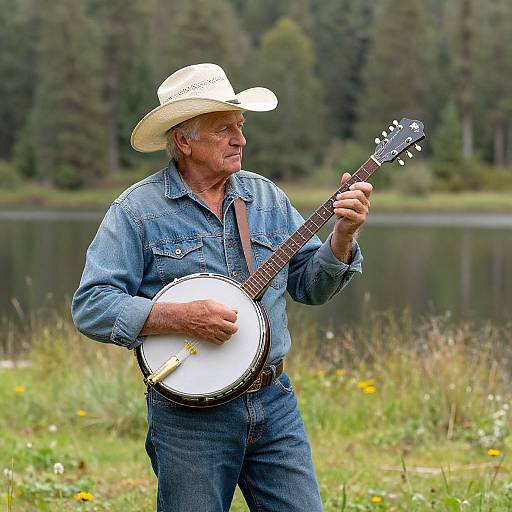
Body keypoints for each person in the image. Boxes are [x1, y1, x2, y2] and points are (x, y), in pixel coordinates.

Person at [72, 63, 372, 511]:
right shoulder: (137, 211)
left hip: (274, 402)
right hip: (189, 420)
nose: (240, 138)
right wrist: (177, 316)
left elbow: (311, 287)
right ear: (184, 141)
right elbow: (91, 305)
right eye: (223, 129)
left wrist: (343, 237)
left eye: (240, 126)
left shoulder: (266, 197)